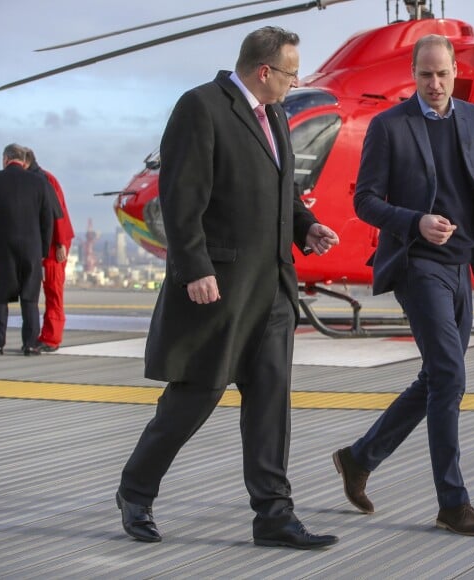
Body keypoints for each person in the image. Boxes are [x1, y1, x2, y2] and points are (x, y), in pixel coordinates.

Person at [116, 26, 340, 549]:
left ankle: (274, 516)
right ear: (265, 71)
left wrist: (306, 226)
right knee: (195, 396)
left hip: (275, 290)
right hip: (219, 286)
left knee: (270, 403)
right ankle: (135, 490)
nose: (295, 81)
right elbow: (180, 197)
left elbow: (282, 190)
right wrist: (194, 268)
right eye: (290, 72)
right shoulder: (201, 107)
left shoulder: (279, 115)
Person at [333, 34, 474, 537]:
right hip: (416, 263)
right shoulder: (388, 127)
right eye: (424, 75)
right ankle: (452, 503)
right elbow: (366, 201)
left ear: (455, 72)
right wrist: (414, 221)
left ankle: (359, 457)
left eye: (442, 74)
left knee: (438, 378)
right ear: (413, 75)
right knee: (449, 375)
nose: (434, 84)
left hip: (461, 265)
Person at [0, 143, 53, 356]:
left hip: (2, 248)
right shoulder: (39, 182)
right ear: (24, 160)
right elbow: (47, 220)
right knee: (30, 297)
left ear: (5, 159)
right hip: (32, 248)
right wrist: (43, 250)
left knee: (1, 296)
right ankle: (29, 344)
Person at [23, 148, 74, 352]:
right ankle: (46, 335)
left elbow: (57, 211)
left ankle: (52, 338)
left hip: (54, 244)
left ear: (25, 162)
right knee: (48, 289)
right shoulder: (40, 178)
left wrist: (60, 243)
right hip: (47, 242)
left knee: (53, 289)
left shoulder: (44, 179)